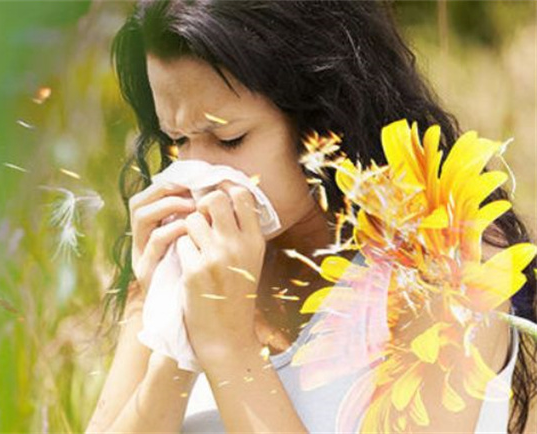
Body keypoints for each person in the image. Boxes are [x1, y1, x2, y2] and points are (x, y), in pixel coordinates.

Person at [86, 1, 537, 432]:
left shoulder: (444, 265)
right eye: (178, 141)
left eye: (229, 140)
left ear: (326, 115)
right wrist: (176, 345)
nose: (197, 175)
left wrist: (230, 349)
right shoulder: (181, 258)